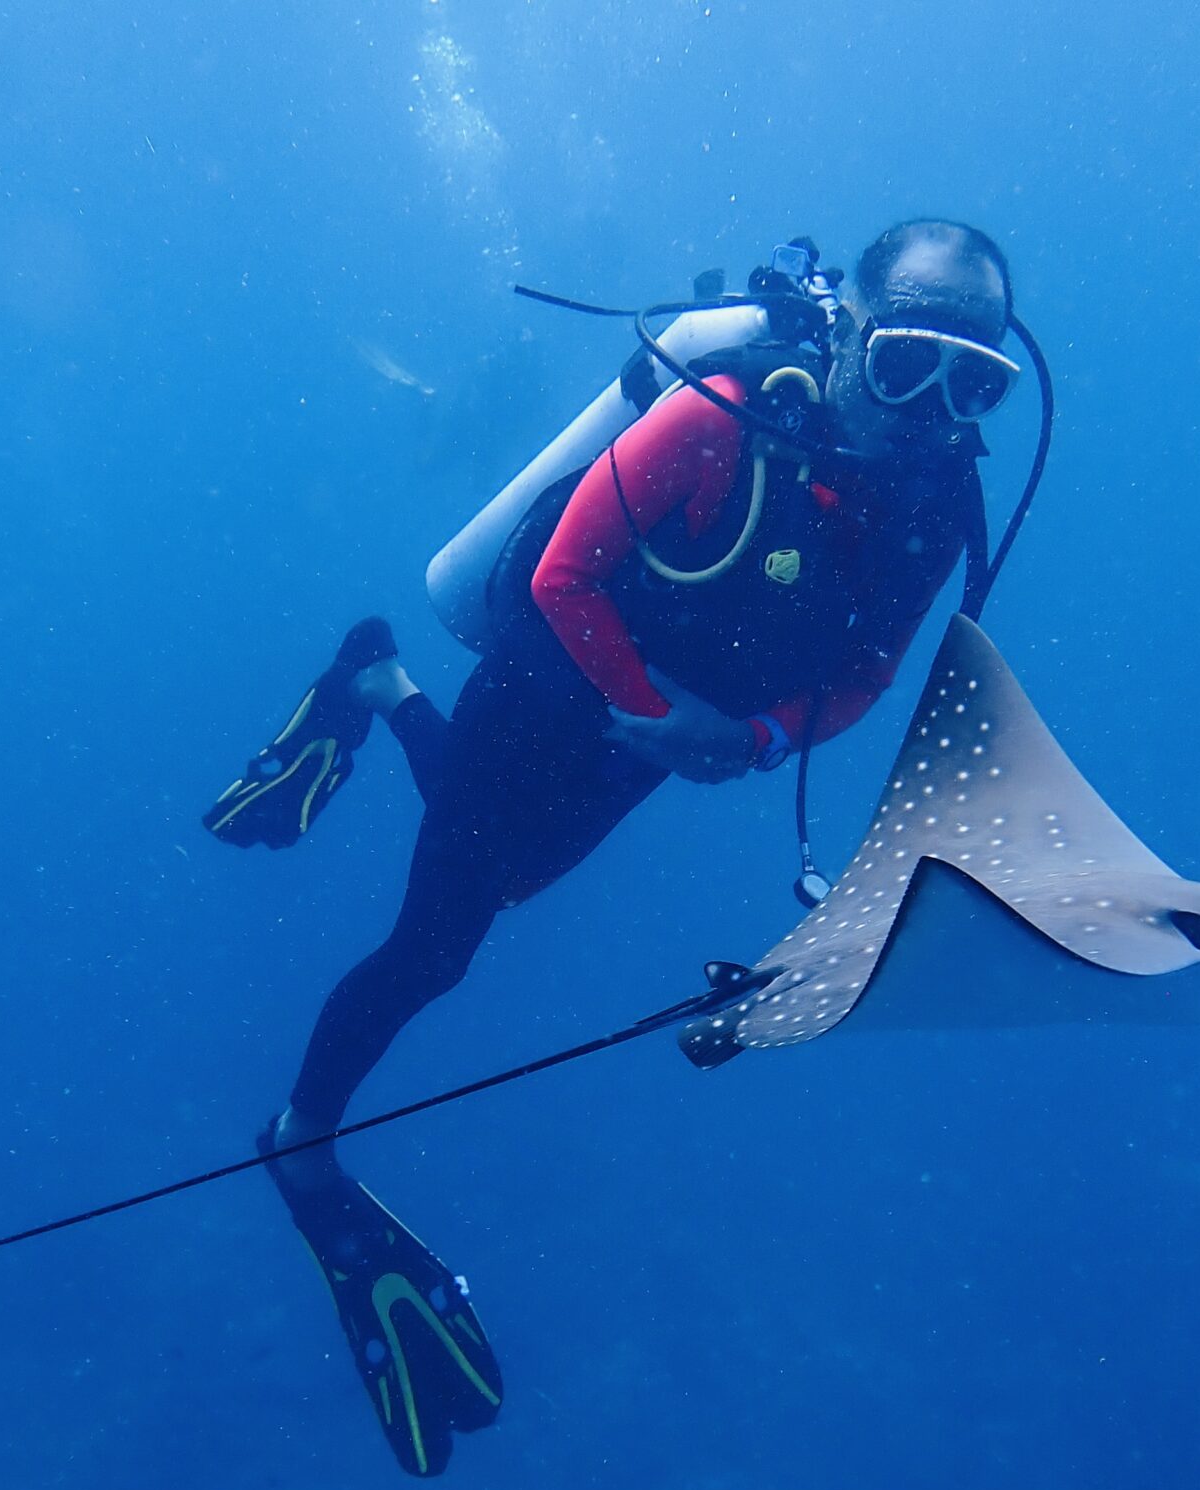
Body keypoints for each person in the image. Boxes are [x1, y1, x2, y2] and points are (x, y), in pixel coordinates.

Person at [267, 218, 1024, 1178]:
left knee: (517, 873)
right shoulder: (719, 415)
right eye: (907, 362)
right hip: (553, 674)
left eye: (973, 383)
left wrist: (750, 738)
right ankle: (299, 1138)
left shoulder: (938, 501)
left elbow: (869, 674)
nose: (931, 407)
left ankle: (381, 681)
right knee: (436, 950)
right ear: (849, 331)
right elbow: (563, 577)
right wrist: (668, 723)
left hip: (680, 728)